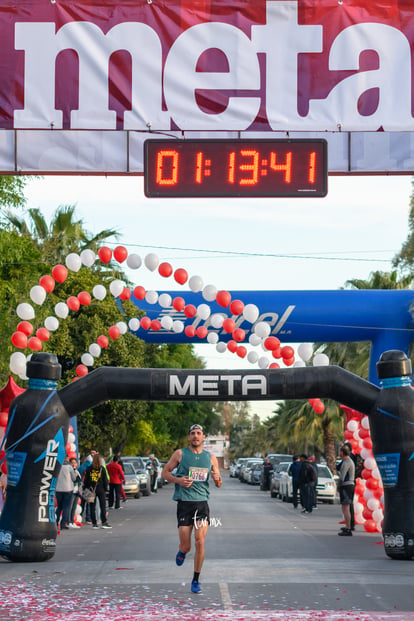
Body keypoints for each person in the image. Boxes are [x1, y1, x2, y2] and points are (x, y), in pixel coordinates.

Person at [161, 423, 222, 594]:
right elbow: (165, 473)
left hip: (202, 503)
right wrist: (179, 481)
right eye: (193, 433)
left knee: (200, 541)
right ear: (189, 437)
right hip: (184, 503)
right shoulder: (180, 454)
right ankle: (182, 551)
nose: (196, 436)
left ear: (203, 438)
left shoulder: (210, 457)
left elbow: (218, 483)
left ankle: (195, 579)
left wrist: (217, 478)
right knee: (187, 546)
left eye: (199, 433)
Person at [83, 453, 112, 529]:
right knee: (102, 506)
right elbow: (105, 480)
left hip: (91, 490)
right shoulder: (102, 468)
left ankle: (94, 523)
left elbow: (86, 480)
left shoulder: (89, 468)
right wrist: (106, 488)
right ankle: (104, 522)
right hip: (101, 489)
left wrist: (87, 487)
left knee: (92, 507)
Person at [342, 441, 363, 530]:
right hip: (350, 482)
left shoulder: (349, 459)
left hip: (348, 483)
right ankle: (349, 525)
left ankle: (350, 526)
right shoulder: (349, 459)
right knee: (348, 505)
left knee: (348, 505)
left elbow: (342, 474)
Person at [337, 445, 355, 537]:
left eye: (340, 452)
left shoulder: (347, 462)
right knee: (344, 507)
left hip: (347, 486)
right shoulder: (345, 461)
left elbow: (342, 476)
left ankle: (348, 528)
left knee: (346, 507)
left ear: (342, 453)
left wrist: (338, 486)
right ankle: (347, 526)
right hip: (348, 485)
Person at [56, 457, 77, 529]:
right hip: (68, 489)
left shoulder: (57, 466)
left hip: (58, 489)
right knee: (66, 507)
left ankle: (56, 521)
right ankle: (63, 524)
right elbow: (74, 478)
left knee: (59, 507)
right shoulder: (69, 467)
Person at [68, 457, 82, 528]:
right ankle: (69, 522)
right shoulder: (70, 471)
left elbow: (79, 481)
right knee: (70, 507)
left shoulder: (77, 471)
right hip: (71, 491)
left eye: (75, 463)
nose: (74, 464)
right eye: (72, 463)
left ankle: (72, 522)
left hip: (77, 491)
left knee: (74, 507)